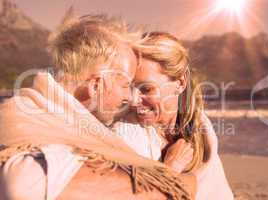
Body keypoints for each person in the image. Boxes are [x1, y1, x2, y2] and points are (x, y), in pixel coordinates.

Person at [0, 15, 194, 200]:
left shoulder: (53, 118)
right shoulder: (37, 130)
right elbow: (22, 184)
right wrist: (171, 175)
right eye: (126, 85)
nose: (130, 97)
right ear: (95, 85)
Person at [128, 32, 234, 199]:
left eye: (146, 89)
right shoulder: (128, 135)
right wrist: (170, 169)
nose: (132, 101)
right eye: (128, 87)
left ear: (180, 82)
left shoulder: (202, 127)